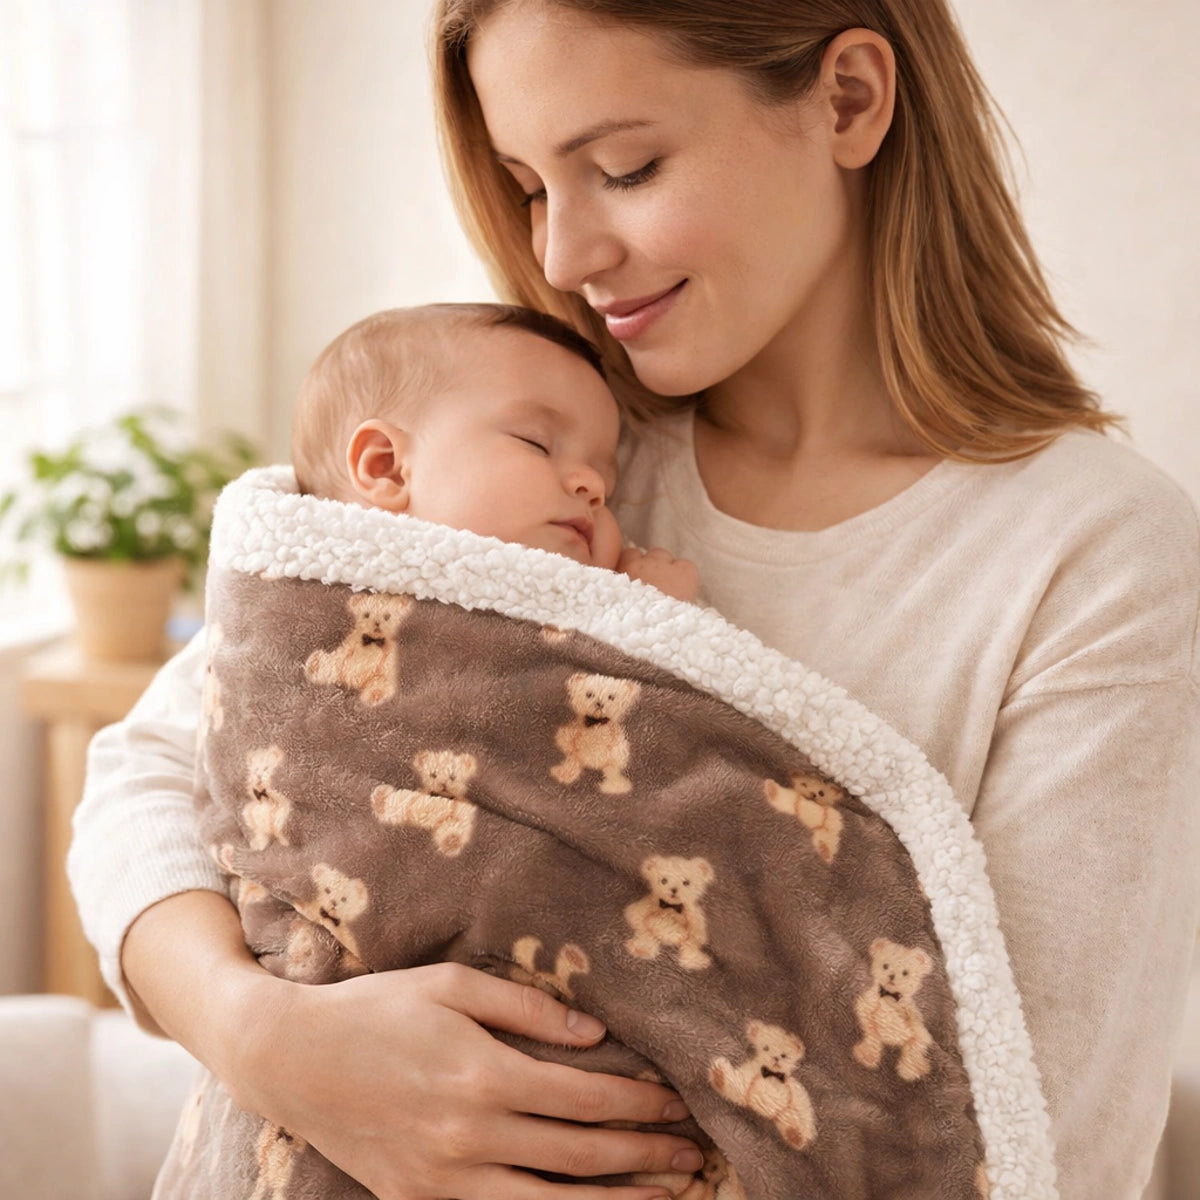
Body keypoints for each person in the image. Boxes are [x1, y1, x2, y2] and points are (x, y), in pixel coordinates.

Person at [67, 2, 1199, 1198]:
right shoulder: (526, 461)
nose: (561, 257)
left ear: (851, 99)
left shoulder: (1091, 556)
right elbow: (153, 776)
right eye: (532, 188)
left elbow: (1032, 1138)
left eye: (625, 168)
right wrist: (271, 1041)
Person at [287, 301, 698, 601]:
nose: (592, 486)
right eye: (536, 444)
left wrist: (653, 611)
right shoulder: (299, 605)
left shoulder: (597, 615)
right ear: (388, 468)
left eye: (609, 484)